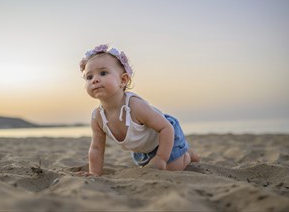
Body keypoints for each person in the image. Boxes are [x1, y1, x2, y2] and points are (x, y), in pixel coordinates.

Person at [77, 44, 200, 176]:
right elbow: (96, 148)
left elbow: (166, 128)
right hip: (144, 148)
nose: (95, 80)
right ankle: (180, 154)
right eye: (89, 77)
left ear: (123, 80)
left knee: (172, 168)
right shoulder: (98, 117)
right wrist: (94, 173)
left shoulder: (135, 106)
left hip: (166, 135)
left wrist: (161, 158)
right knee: (152, 168)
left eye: (103, 73)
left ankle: (186, 155)